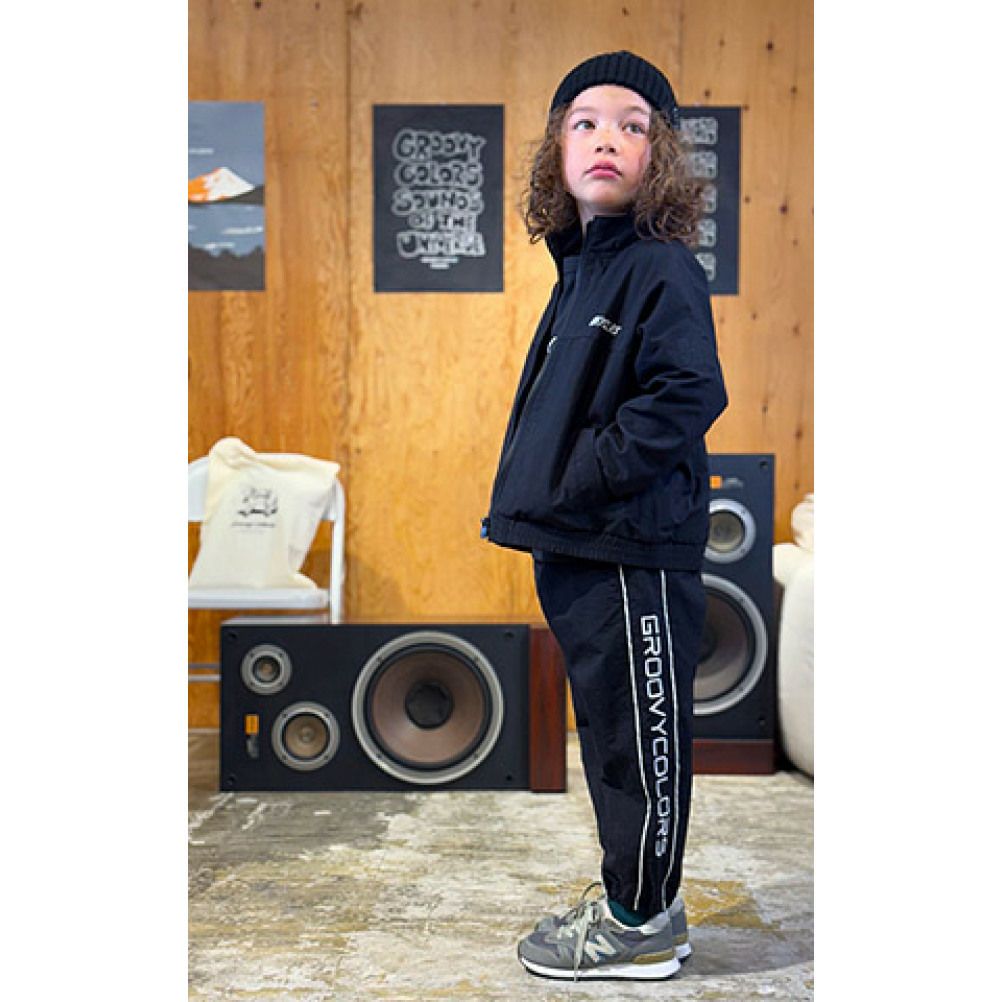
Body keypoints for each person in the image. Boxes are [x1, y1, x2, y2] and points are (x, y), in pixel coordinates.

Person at [480, 50, 728, 981]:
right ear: (558, 148)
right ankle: (639, 895)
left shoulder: (660, 268)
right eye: (584, 123)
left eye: (632, 125)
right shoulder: (582, 271)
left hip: (631, 544)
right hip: (585, 542)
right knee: (614, 736)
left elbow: (687, 393)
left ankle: (641, 924)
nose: (605, 140)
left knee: (639, 739)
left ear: (661, 157)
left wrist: (584, 476)